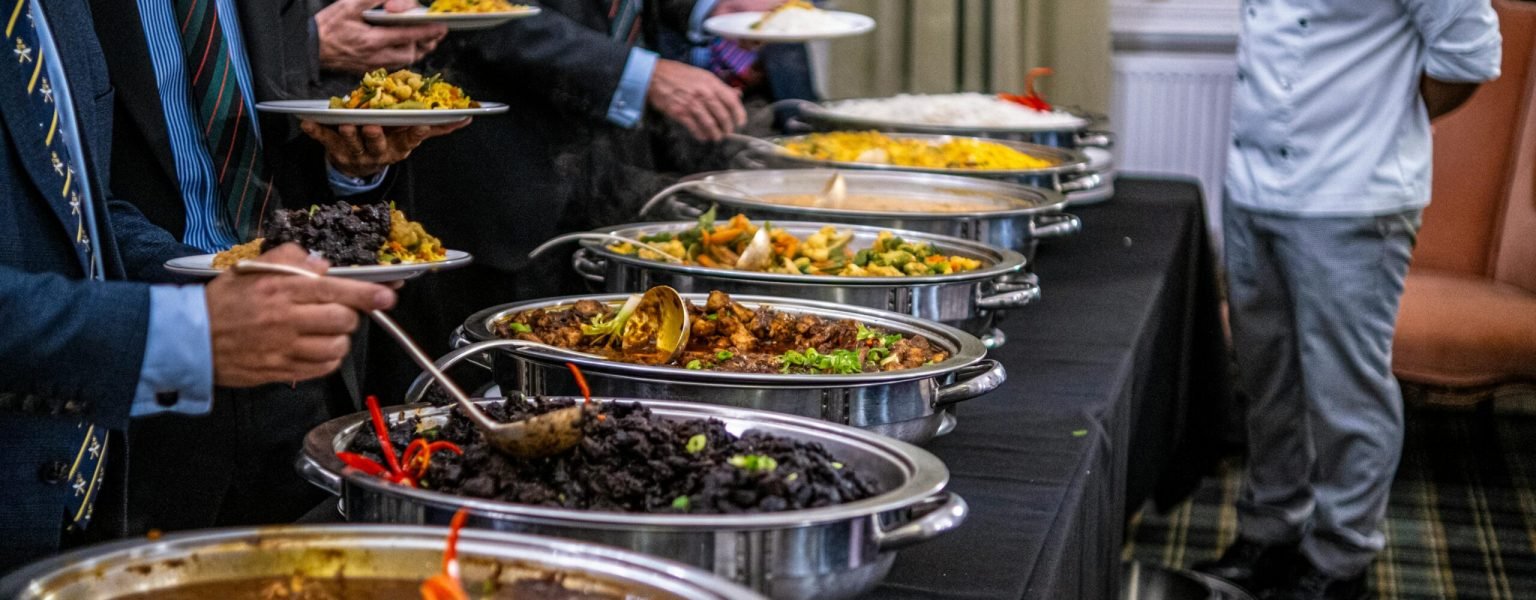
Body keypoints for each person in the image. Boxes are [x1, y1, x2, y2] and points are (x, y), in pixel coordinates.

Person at [0, 0, 396, 570]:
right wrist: (184, 328)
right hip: (120, 412)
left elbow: (86, 206)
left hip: (275, 365)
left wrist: (238, 276)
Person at [84, 0, 466, 531]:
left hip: (304, 362)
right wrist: (202, 297)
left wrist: (353, 170)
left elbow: (299, 135)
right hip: (153, 367)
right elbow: (74, 199)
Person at [1193, 2, 1502, 599]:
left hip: (1353, 194)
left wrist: (1378, 121)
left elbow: (1469, 55)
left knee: (1346, 395)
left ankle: (1339, 560)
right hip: (1252, 187)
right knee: (1266, 383)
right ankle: (1271, 535)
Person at [358, 0, 775, 400]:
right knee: (472, 390)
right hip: (489, 185)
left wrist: (711, 6)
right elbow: (477, 9)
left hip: (606, 173)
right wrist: (634, 73)